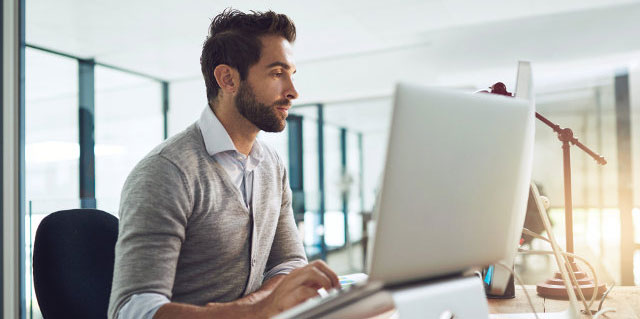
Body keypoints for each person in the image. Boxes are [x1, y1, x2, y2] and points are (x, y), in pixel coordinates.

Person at [108, 9, 341, 319]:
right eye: (276, 73)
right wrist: (261, 309)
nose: (292, 92)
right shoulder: (165, 173)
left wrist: (256, 308)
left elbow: (289, 264)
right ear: (228, 79)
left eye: (291, 74)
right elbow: (133, 311)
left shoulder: (271, 164)